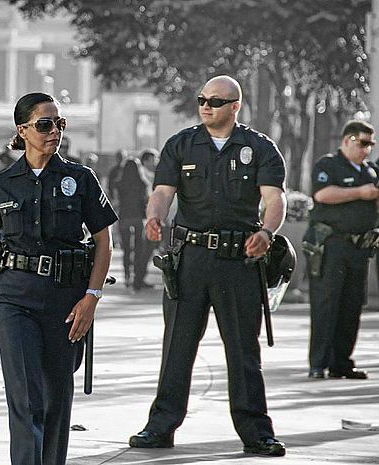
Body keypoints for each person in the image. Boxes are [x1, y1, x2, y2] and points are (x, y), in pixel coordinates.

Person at [129, 75, 288, 456]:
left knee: (243, 350)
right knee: (177, 347)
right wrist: (155, 217)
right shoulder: (181, 144)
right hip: (190, 260)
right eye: (202, 99)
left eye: (215, 101)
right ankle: (161, 426)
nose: (206, 106)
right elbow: (162, 193)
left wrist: (266, 232)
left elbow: (274, 198)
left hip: (239, 260)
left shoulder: (259, 147)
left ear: (235, 106)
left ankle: (256, 433)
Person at [0, 92, 117, 465]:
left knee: (56, 400)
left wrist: (91, 298)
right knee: (25, 396)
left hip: (65, 301)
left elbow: (103, 241)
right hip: (14, 299)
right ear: (23, 130)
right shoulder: (2, 184)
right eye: (45, 125)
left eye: (59, 124)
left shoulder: (79, 178)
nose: (54, 132)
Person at [306, 120, 378, 380]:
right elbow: (322, 195)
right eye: (363, 143)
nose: (367, 149)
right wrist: (360, 193)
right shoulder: (328, 165)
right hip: (331, 245)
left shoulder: (370, 171)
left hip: (359, 248)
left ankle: (341, 363)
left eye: (371, 144)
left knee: (351, 307)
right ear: (347, 140)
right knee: (326, 304)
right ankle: (318, 363)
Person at [112, 156, 152, 290]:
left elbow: (116, 202)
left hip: (124, 217)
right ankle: (137, 278)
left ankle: (127, 277)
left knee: (126, 250)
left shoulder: (119, 183)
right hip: (138, 218)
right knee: (139, 249)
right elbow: (147, 200)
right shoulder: (143, 183)